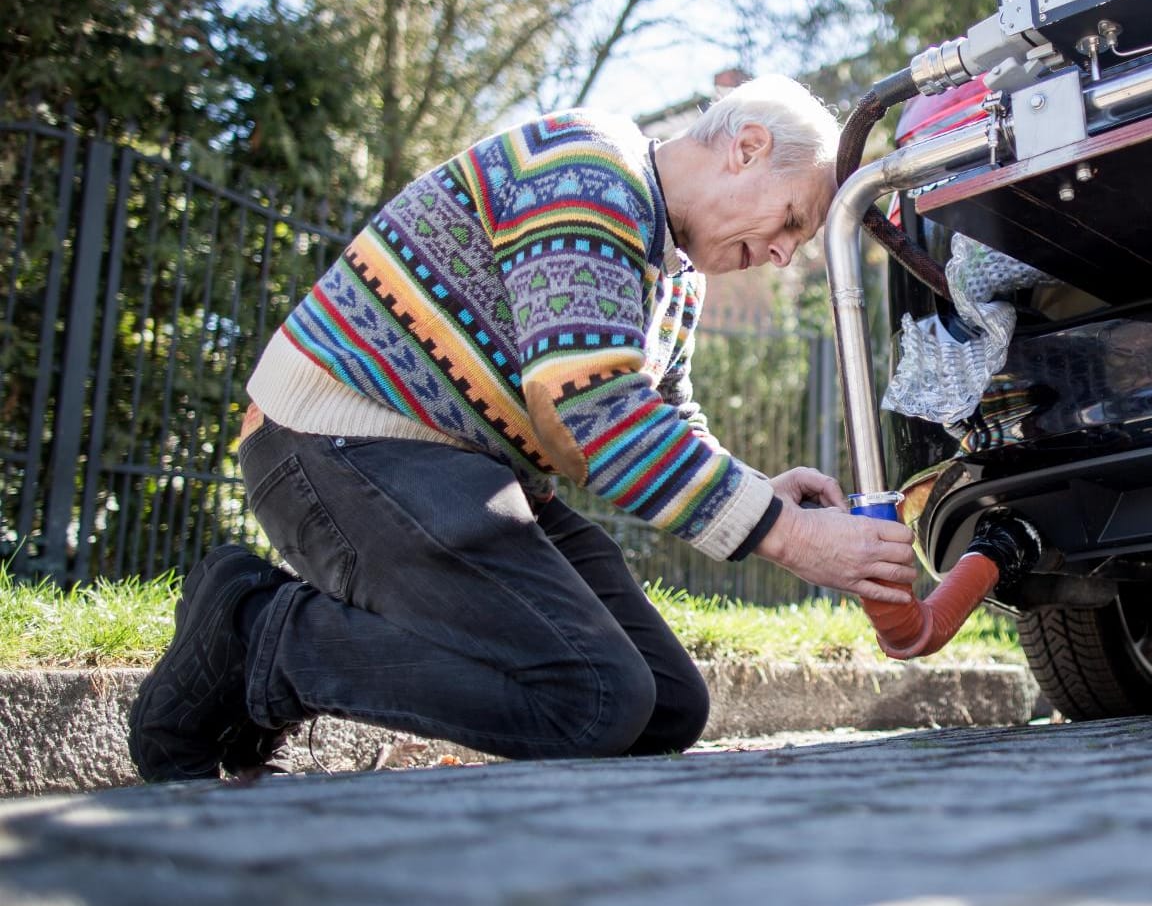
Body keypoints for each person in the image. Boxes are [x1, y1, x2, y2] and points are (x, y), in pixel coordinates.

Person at [127, 78, 918, 781]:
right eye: (792, 221)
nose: (784, 255)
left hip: (462, 470)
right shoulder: (588, 170)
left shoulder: (676, 272)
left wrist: (759, 492)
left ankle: (273, 635)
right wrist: (793, 539)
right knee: (593, 700)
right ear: (746, 149)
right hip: (339, 441)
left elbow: (660, 413)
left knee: (665, 705)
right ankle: (257, 632)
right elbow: (595, 415)